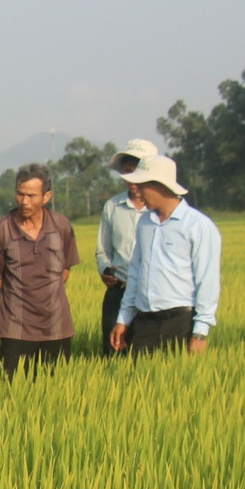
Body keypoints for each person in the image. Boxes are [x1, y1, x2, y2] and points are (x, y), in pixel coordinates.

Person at [111, 156, 221, 357]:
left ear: (159, 185)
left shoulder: (198, 226)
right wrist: (123, 318)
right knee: (140, 385)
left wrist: (200, 333)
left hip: (181, 323)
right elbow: (135, 273)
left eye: (142, 186)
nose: (137, 191)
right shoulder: (144, 223)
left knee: (178, 386)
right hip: (145, 323)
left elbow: (208, 282)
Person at [0, 164, 82, 378]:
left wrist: (47, 294)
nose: (24, 201)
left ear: (47, 196)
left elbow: (65, 270)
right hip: (16, 327)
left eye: (31, 195)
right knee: (12, 390)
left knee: (56, 390)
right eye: (20, 194)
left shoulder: (61, 226)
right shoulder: (3, 230)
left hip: (57, 326)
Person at [97, 138, 158, 356]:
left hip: (150, 295)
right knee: (114, 354)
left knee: (147, 357)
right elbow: (103, 250)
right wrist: (104, 270)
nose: (132, 179)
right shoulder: (113, 206)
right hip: (118, 292)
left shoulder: (160, 211)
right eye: (128, 172)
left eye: (137, 172)